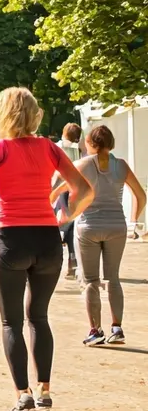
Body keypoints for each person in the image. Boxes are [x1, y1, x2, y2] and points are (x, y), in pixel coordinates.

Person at [0, 87, 94, 411]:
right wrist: (67, 216)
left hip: (11, 240)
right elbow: (84, 189)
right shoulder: (48, 146)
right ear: (34, 113)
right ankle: (45, 390)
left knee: (11, 322)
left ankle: (23, 395)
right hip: (47, 240)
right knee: (40, 318)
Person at [51, 125, 144, 346]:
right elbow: (141, 195)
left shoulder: (82, 165)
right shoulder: (121, 166)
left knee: (91, 280)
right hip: (117, 227)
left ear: (91, 143)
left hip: (88, 227)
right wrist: (133, 221)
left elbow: (57, 190)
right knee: (113, 278)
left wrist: (63, 213)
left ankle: (96, 331)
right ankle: (117, 328)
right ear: (111, 143)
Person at [56, 123, 84, 277]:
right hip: (75, 188)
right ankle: (72, 260)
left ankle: (67, 258)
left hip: (62, 189)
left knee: (64, 221)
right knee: (71, 221)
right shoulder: (79, 149)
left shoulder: (59, 147)